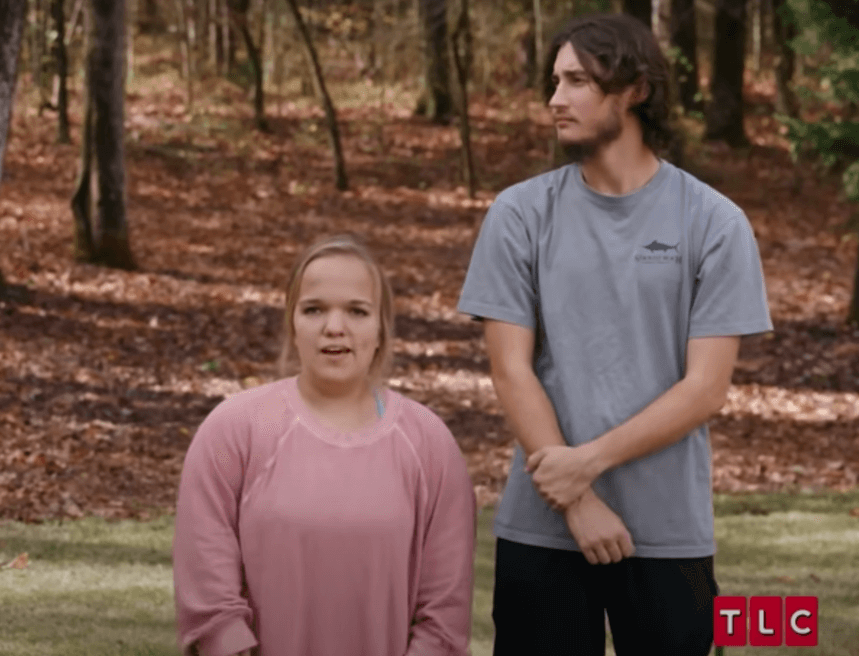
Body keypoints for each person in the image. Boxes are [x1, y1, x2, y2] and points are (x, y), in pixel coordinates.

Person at [457, 13, 771, 656]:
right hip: (541, 529)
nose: (554, 99)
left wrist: (587, 465)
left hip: (668, 532)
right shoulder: (519, 213)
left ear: (635, 89)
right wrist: (576, 502)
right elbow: (511, 372)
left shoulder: (713, 222)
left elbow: (707, 389)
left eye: (576, 80)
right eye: (553, 81)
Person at [174, 234, 477, 656]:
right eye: (315, 309)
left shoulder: (429, 444)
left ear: (381, 327)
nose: (335, 327)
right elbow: (208, 587)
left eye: (357, 310)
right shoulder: (234, 429)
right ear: (292, 323)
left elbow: (444, 610)